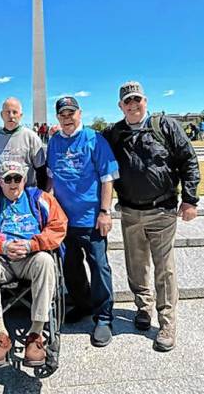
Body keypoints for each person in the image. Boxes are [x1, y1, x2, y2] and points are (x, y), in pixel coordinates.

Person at [103, 81, 200, 352]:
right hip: (131, 211)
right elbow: (94, 151)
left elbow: (188, 160)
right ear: (120, 106)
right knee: (136, 265)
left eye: (137, 100)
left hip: (162, 210)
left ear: (145, 101)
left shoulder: (165, 126)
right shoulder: (114, 133)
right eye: (127, 102)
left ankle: (167, 322)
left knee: (164, 268)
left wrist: (190, 199)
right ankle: (143, 308)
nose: (133, 105)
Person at [0, 160, 67, 367]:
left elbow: (58, 227)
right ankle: (0, 335)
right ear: (0, 182)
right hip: (0, 259)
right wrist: (1, 246)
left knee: (47, 261)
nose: (13, 184)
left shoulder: (41, 199)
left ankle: (35, 335)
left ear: (24, 180)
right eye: (8, 179)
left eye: (17, 178)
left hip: (31, 258)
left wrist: (33, 245)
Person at [47, 96, 119, 347]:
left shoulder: (94, 139)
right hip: (64, 219)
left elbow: (108, 177)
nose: (67, 118)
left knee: (99, 266)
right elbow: (52, 177)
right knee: (71, 266)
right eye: (62, 114)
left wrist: (105, 211)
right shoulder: (54, 141)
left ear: (80, 113)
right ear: (58, 117)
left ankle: (104, 317)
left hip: (91, 217)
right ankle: (83, 303)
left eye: (71, 113)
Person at [0, 97, 48, 189]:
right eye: (7, 112)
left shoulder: (31, 137)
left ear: (21, 115)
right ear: (1, 115)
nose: (11, 116)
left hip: (25, 193)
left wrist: (40, 194)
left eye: (15, 112)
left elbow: (41, 170)